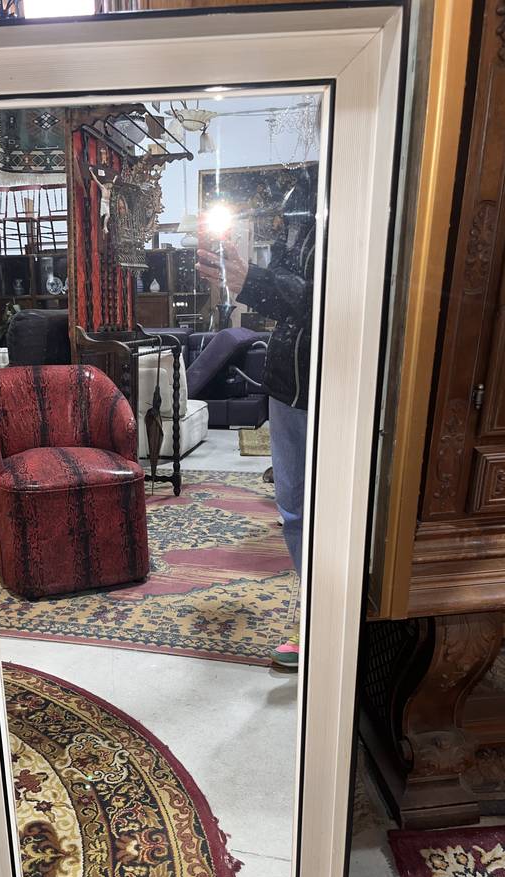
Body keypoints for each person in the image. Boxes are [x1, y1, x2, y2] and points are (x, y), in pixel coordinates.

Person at [196, 165, 317, 671]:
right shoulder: (302, 202)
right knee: (294, 510)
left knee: (332, 512)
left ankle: (330, 620)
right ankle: (312, 613)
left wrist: (254, 282)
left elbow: (335, 297)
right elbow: (295, 296)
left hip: (334, 385)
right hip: (286, 386)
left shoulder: (358, 198)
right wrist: (248, 279)